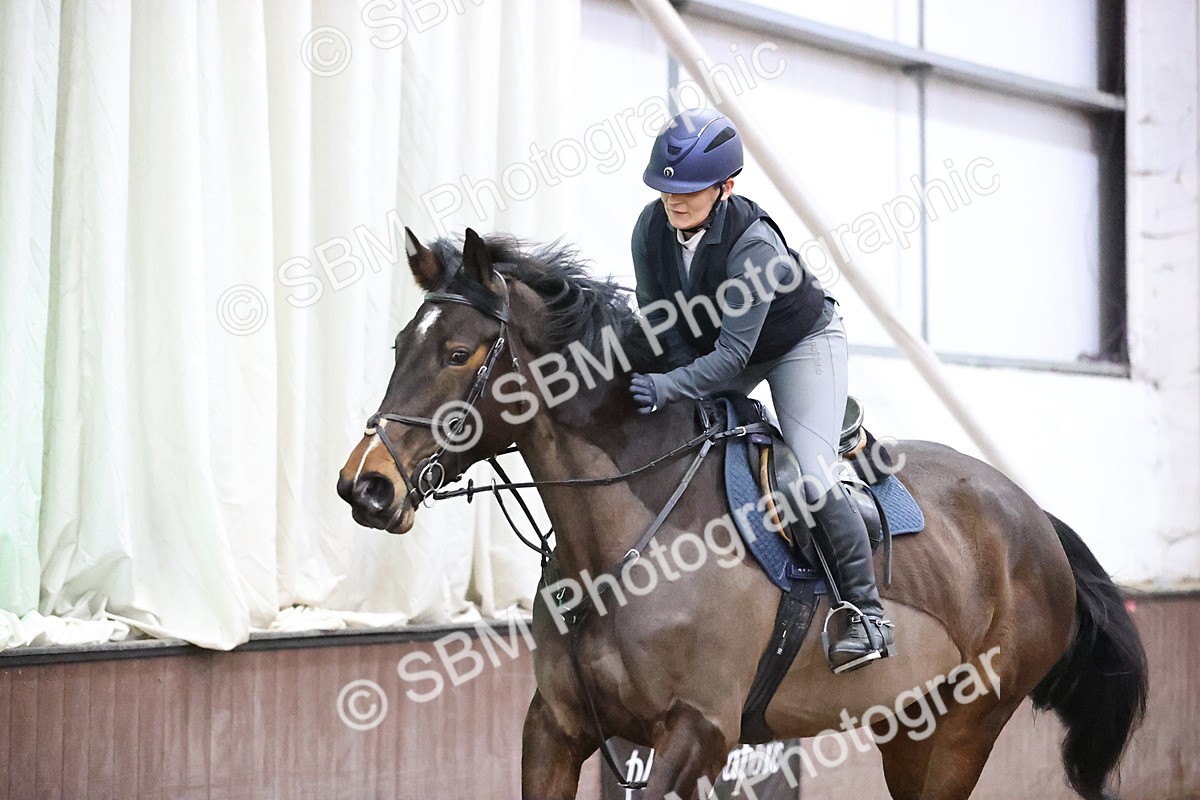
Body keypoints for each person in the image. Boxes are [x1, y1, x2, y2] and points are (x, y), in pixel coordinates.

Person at [628, 107, 895, 673]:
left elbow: (731, 359)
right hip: (728, 346)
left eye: (692, 192)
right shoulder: (650, 229)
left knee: (816, 478)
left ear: (726, 187)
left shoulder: (755, 247)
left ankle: (867, 614)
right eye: (666, 189)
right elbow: (658, 324)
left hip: (800, 345)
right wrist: (659, 378)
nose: (675, 202)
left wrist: (668, 385)